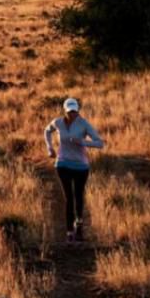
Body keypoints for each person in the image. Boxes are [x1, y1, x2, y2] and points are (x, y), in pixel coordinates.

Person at [43, 96, 105, 243]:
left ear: (78, 111)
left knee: (78, 196)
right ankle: (69, 232)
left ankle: (79, 225)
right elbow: (47, 130)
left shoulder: (84, 124)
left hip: (81, 166)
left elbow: (100, 143)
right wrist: (50, 148)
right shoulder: (58, 122)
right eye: (70, 111)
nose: (72, 114)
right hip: (62, 164)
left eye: (74, 111)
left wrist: (82, 142)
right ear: (65, 111)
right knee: (68, 198)